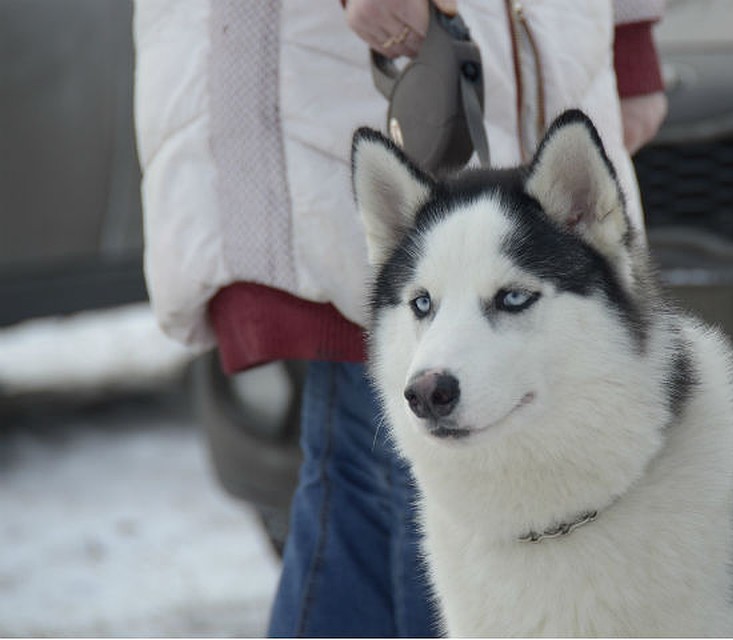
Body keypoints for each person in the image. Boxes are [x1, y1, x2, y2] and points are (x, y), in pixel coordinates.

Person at [133, 0, 667, 635]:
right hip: (340, 86)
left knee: (364, 498)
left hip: (543, 59)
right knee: (416, 497)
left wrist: (628, 39)